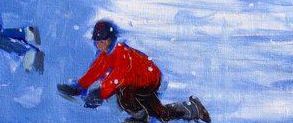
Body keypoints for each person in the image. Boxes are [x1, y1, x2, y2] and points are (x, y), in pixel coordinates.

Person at [58, 20, 210, 122]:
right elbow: (95, 71)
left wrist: (100, 93)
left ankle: (141, 118)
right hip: (136, 82)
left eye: (101, 42)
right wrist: (80, 87)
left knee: (125, 94)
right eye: (97, 42)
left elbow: (118, 76)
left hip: (148, 81)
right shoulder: (106, 54)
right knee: (158, 112)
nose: (98, 45)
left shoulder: (121, 51)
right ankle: (193, 108)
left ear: (109, 40)